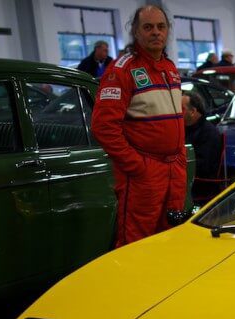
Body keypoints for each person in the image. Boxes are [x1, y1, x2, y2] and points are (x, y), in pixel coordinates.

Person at [91, 4, 186, 247]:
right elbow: (104, 127)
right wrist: (137, 165)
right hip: (144, 174)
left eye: (161, 27)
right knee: (136, 243)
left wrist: (180, 157)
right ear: (136, 31)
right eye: (148, 27)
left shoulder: (170, 68)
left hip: (173, 170)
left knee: (170, 237)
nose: (156, 32)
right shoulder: (121, 70)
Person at [182, 92, 222, 206]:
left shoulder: (208, 133)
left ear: (193, 111)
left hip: (200, 186)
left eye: (182, 109)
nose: (178, 113)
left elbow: (204, 166)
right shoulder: (185, 130)